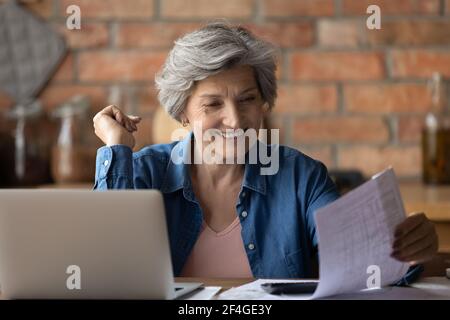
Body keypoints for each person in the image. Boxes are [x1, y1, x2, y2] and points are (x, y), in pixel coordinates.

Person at [92, 23, 438, 280]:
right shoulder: (144, 172)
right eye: (213, 104)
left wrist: (405, 252)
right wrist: (117, 148)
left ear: (264, 104)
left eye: (247, 100)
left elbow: (359, 261)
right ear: (183, 112)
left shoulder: (301, 177)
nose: (235, 120)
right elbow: (104, 265)